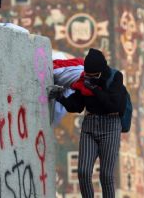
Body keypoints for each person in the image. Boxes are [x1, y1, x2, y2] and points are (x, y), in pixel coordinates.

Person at [49, 48, 126, 198]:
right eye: (88, 76)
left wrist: (95, 90)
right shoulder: (85, 80)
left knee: (106, 175)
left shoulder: (115, 77)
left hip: (110, 126)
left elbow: (115, 105)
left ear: (102, 71)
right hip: (90, 125)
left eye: (94, 76)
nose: (91, 79)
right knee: (83, 172)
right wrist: (60, 97)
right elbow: (77, 106)